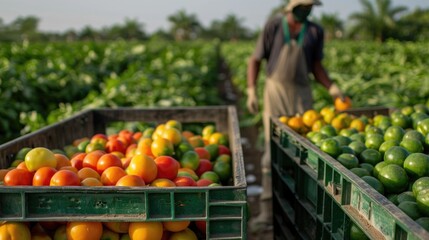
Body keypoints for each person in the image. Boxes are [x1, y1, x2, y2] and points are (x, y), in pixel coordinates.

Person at [246, 0, 343, 231]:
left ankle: (299, 211)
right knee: (272, 152)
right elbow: (255, 59)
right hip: (275, 92)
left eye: (310, 6)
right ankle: (267, 214)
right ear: (292, 6)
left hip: (302, 94)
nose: (307, 10)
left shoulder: (314, 31)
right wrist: (251, 90)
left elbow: (316, 66)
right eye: (303, 6)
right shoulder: (275, 26)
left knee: (304, 151)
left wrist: (332, 87)